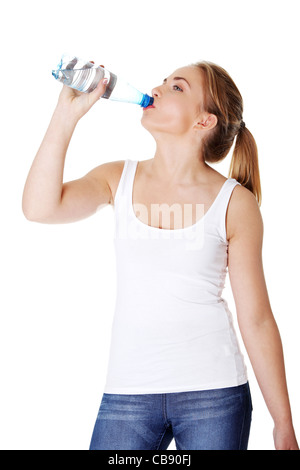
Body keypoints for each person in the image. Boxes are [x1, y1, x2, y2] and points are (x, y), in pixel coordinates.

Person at [22, 60, 299, 451]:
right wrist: (65, 117)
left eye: (177, 87)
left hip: (214, 394)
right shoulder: (116, 177)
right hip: (128, 393)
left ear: (204, 122)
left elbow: (256, 319)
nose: (158, 87)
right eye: (165, 80)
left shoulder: (235, 204)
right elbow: (39, 208)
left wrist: (283, 423)